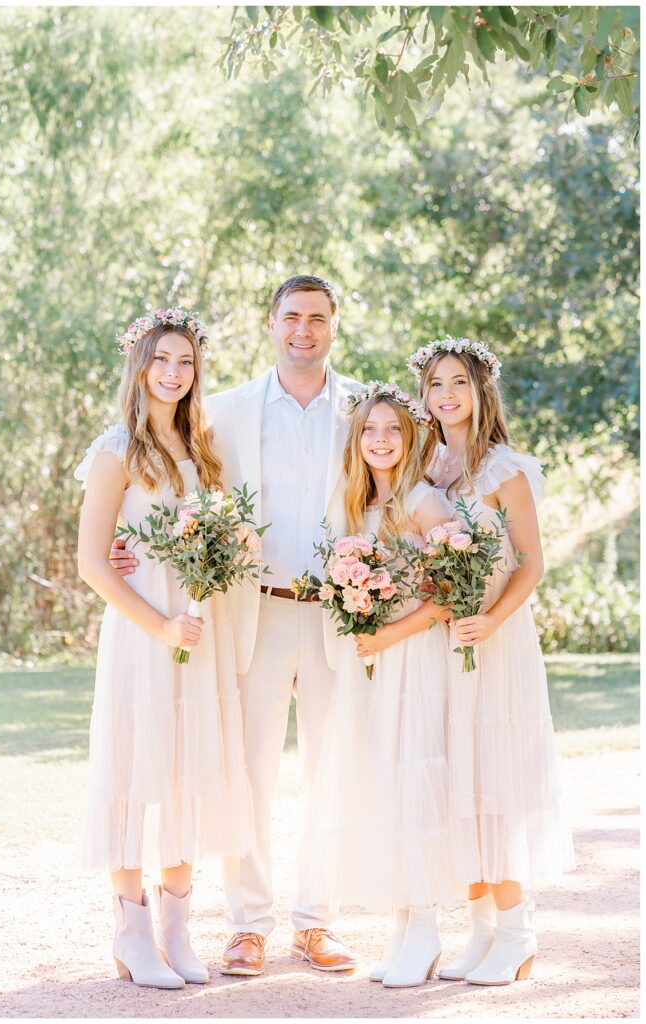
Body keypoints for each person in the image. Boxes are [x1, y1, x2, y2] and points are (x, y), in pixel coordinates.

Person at [109, 277, 361, 976]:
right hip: (252, 612)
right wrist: (118, 544)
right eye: (291, 317)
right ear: (271, 323)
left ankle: (317, 923)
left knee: (329, 771)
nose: (303, 329)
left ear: (332, 325)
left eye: (317, 318)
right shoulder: (221, 412)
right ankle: (248, 925)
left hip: (342, 613)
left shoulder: (364, 410)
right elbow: (155, 487)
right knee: (245, 775)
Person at [76, 308, 252, 988]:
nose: (173, 373)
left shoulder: (203, 452)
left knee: (185, 775)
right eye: (162, 360)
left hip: (197, 630)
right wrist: (159, 625)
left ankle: (179, 932)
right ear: (140, 365)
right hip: (144, 634)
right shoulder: (115, 450)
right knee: (132, 779)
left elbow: (231, 534)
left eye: (185, 362)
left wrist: (235, 542)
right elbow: (93, 562)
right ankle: (132, 933)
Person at [410, 336, 575, 986]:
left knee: (494, 781)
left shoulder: (506, 468)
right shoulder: (427, 468)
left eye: (459, 382)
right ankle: (481, 931)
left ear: (482, 391)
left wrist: (491, 619)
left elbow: (531, 561)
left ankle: (518, 927)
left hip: (494, 641)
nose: (447, 395)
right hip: (445, 645)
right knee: (459, 780)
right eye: (436, 384)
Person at [298, 383, 462, 988]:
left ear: (410, 435)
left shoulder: (421, 501)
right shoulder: (357, 502)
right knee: (384, 787)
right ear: (357, 438)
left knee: (413, 782)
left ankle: (425, 931)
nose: (381, 440)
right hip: (370, 663)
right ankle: (403, 932)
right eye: (370, 429)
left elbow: (451, 594)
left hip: (412, 660)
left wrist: (389, 637)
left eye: (393, 429)